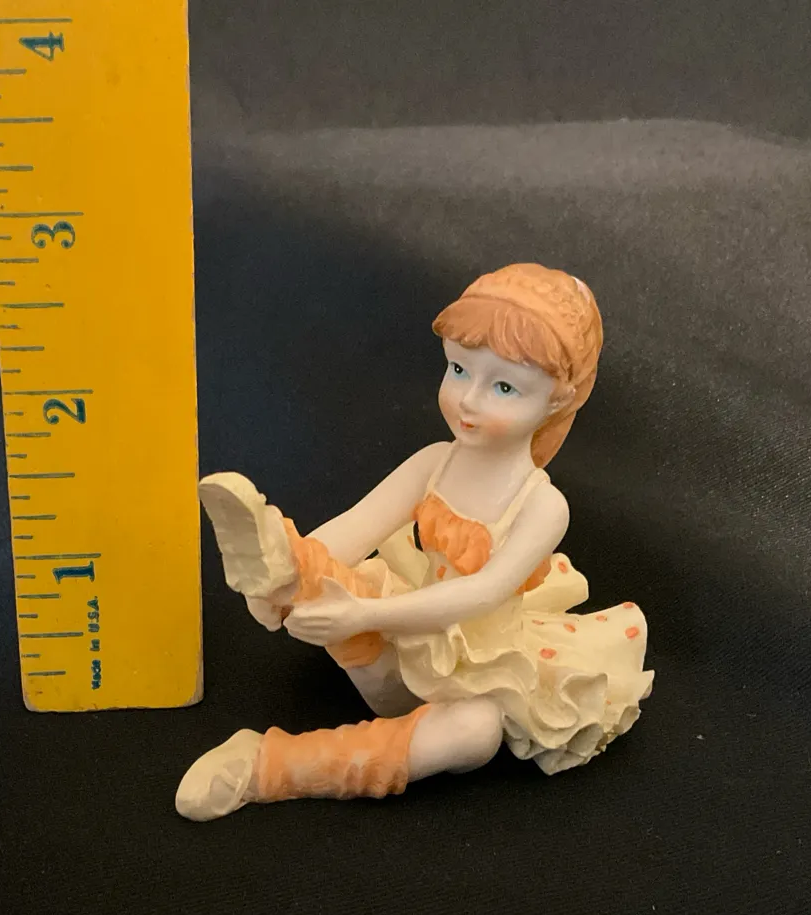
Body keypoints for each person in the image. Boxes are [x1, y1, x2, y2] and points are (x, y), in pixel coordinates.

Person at [176, 263, 654, 821]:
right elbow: (356, 527)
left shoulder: (542, 506)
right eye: (458, 369)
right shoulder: (435, 462)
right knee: (328, 576)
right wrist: (287, 585)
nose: (467, 400)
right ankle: (279, 567)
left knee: (476, 733)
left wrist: (362, 614)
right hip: (398, 647)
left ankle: (269, 766)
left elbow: (481, 593)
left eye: (503, 387)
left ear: (556, 401)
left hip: (477, 669)